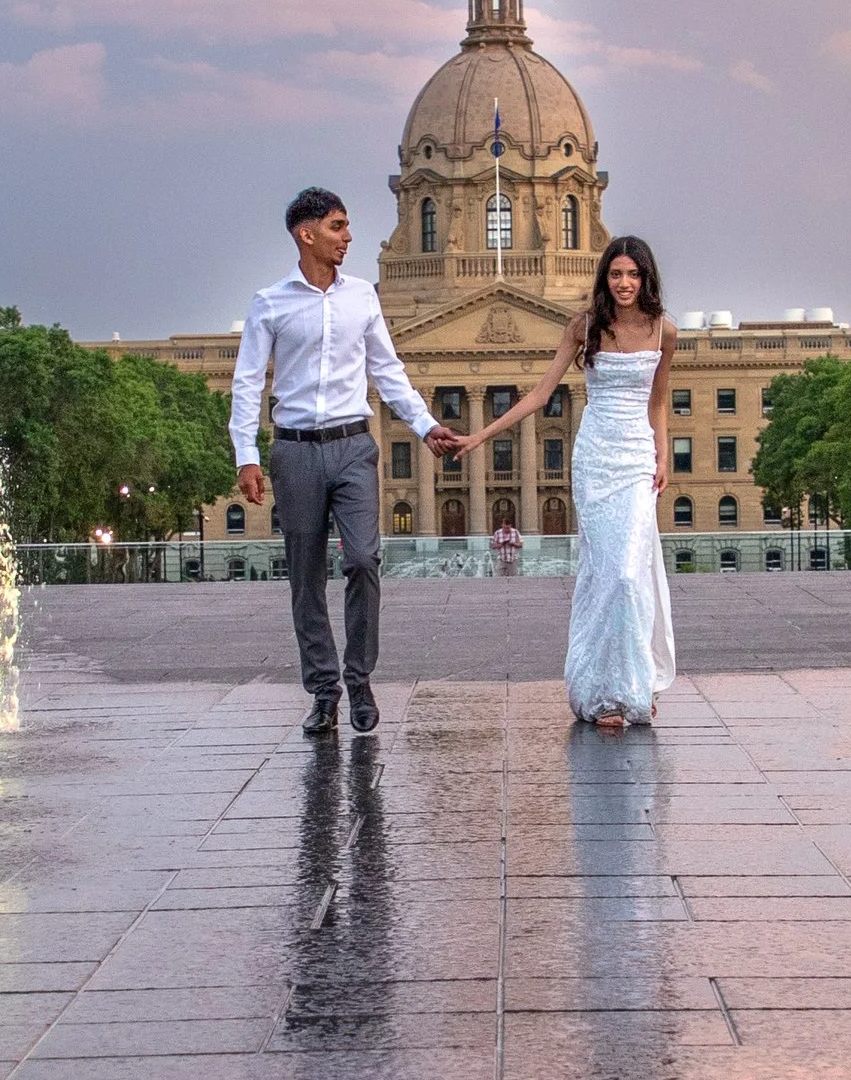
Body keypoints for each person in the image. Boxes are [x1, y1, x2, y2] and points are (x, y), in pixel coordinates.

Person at [232, 186, 466, 737]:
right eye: (338, 226)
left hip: (354, 445)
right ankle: (323, 690)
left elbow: (388, 371)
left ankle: (359, 679)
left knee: (363, 559)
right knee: (306, 577)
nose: (349, 237)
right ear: (305, 233)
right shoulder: (270, 303)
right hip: (293, 450)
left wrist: (426, 425)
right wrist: (246, 454)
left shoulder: (363, 297)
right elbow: (246, 384)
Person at [485, 236, 676, 729]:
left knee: (630, 575)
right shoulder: (583, 327)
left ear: (646, 277)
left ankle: (637, 684)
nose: (625, 283)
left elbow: (658, 401)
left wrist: (662, 455)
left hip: (635, 458)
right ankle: (603, 693)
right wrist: (478, 436)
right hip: (595, 458)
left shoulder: (664, 332)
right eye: (616, 274)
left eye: (633, 274)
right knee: (605, 574)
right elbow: (540, 393)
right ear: (604, 278)